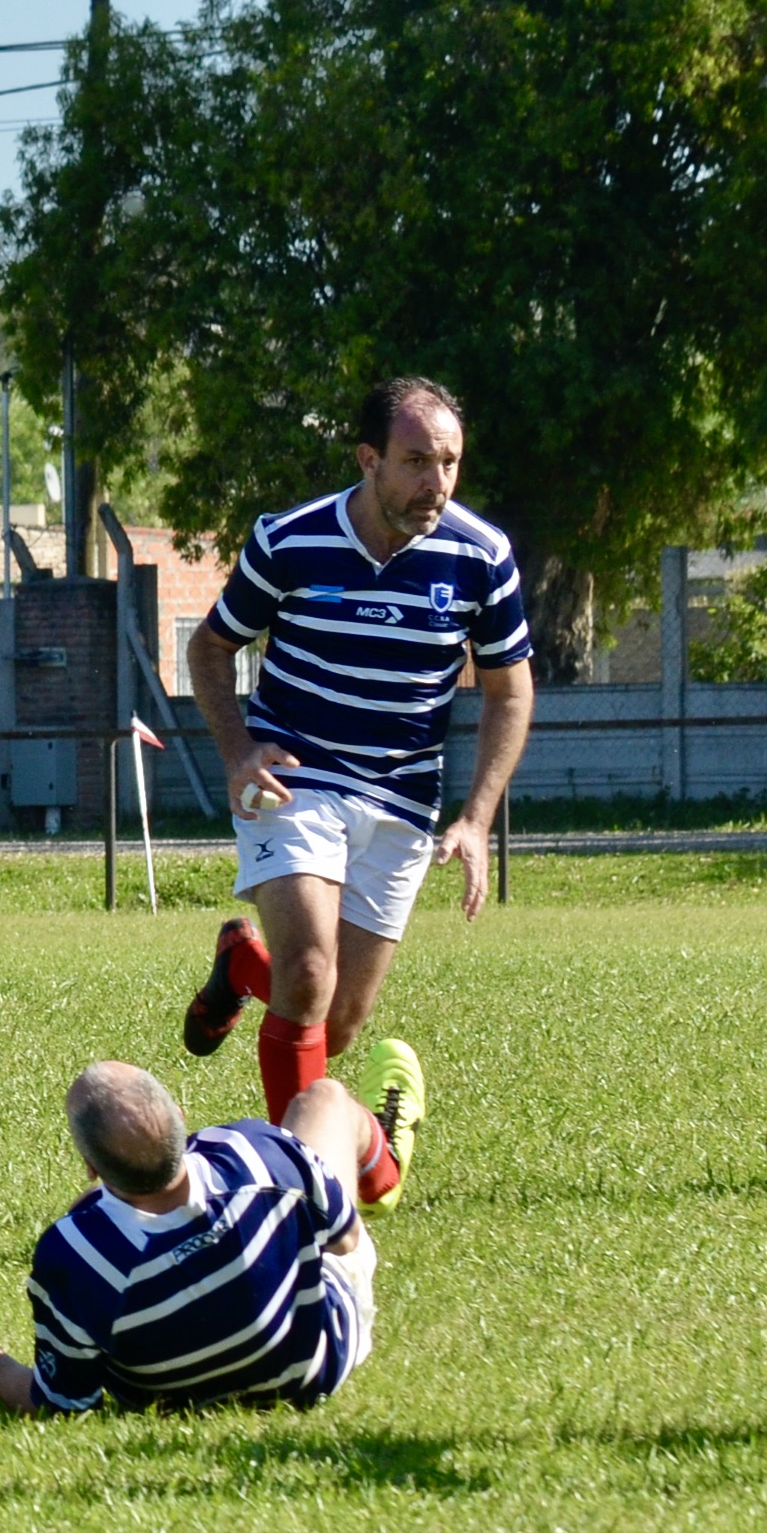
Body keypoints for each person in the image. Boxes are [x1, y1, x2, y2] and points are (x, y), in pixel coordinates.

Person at [176, 376, 537, 1205]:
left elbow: (510, 691)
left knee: (334, 1024)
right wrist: (237, 752)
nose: (436, 483)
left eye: (449, 462)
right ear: (369, 459)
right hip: (295, 777)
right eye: (416, 462)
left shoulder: (482, 556)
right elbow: (209, 648)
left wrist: (477, 818)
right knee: (308, 977)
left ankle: (243, 965)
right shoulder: (289, 539)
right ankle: (305, 1196)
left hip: (402, 800)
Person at [0, 1063, 386, 1414]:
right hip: (315, 1370)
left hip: (173, 1403)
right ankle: (383, 1167)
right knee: (323, 1100)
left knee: (91, 1215)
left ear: (90, 1167)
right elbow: (347, 1243)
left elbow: (61, 1404)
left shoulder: (72, 1253)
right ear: (180, 1115)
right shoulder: (258, 1152)